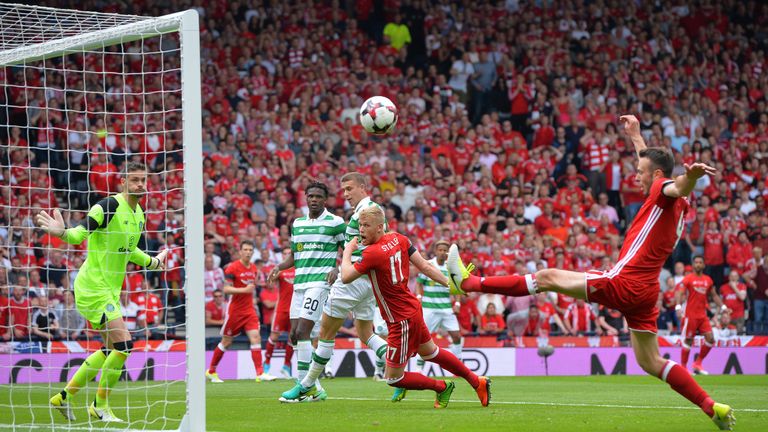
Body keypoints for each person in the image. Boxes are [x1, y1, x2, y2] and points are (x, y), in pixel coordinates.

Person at [444, 115, 734, 430]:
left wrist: (689, 176)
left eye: (640, 173)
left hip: (626, 282)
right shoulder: (675, 203)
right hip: (647, 292)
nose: (636, 177)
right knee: (650, 362)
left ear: (658, 176)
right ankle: (711, 406)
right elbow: (661, 171)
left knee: (545, 278)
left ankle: (468, 282)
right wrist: (636, 136)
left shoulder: (664, 192)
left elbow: (677, 184)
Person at [36, 162, 168, 423]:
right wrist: (62, 232)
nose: (141, 184)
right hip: (92, 287)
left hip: (108, 290)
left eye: (144, 179)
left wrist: (154, 262)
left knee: (111, 350)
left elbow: (129, 250)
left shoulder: (139, 213)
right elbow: (79, 234)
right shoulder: (108, 206)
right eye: (135, 180)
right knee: (125, 345)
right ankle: (99, 405)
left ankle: (63, 397)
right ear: (123, 182)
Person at [341, 206, 490, 407]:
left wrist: (348, 250)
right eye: (360, 225)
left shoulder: (372, 253)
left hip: (400, 319)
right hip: (412, 308)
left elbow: (346, 276)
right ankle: (477, 381)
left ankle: (442, 387)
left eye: (366, 226)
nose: (361, 230)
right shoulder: (401, 239)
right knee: (432, 353)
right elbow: (426, 267)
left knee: (393, 378)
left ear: (379, 228)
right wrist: (451, 283)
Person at [280, 173, 389, 402]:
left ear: (362, 187)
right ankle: (397, 362)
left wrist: (340, 268)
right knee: (365, 333)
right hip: (369, 279)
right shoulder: (370, 210)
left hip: (354, 278)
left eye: (349, 189)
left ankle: (307, 385)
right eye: (344, 190)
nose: (346, 194)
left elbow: (361, 247)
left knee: (324, 334)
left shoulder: (364, 212)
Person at [269, 181, 345, 399]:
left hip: (319, 284)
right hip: (299, 284)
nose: (314, 199)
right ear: (305, 198)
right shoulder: (298, 223)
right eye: (310, 196)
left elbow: (350, 248)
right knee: (294, 335)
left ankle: (303, 388)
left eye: (318, 197)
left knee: (303, 332)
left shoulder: (335, 222)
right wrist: (278, 266)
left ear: (325, 200)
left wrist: (337, 268)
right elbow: (294, 255)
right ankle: (316, 388)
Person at [206, 240, 273, 383]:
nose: (248, 252)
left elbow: (251, 288)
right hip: (235, 311)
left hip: (249, 310)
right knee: (226, 342)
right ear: (240, 252)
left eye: (250, 250)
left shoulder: (254, 268)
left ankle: (260, 373)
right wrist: (244, 290)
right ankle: (211, 371)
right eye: (245, 250)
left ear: (253, 252)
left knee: (255, 338)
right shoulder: (232, 268)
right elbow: (226, 289)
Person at [414, 240, 463, 373]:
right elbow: (419, 283)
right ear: (436, 251)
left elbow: (457, 288)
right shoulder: (429, 265)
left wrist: (457, 303)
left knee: (457, 336)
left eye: (444, 250)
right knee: (424, 339)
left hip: (446, 308)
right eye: (440, 250)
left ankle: (459, 365)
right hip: (429, 308)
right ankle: (419, 368)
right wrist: (419, 297)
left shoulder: (451, 267)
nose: (442, 253)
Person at [676, 256, 726, 375]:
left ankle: (697, 363)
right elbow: (680, 292)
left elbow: (714, 295)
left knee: (710, 339)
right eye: (696, 262)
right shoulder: (688, 279)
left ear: (703, 265)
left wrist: (723, 307)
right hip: (690, 315)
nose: (698, 264)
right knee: (688, 340)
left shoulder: (708, 280)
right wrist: (678, 306)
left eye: (700, 262)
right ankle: (683, 367)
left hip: (702, 315)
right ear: (693, 265)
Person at [264, 250, 295, 379]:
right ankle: (266, 365)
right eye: (285, 253)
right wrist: (275, 273)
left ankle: (286, 366)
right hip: (281, 309)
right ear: (282, 256)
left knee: (293, 338)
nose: (287, 254)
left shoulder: (299, 268)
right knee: (274, 336)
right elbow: (268, 282)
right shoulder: (281, 271)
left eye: (289, 252)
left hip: (294, 309)